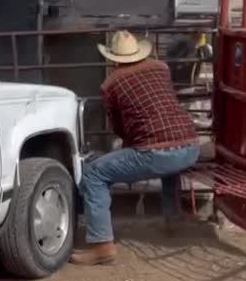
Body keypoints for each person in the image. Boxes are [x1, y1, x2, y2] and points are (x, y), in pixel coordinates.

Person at [70, 30, 199, 266]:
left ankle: (102, 245)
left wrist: (131, 145)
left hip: (157, 154)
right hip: (190, 146)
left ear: (113, 58)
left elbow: (119, 126)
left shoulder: (111, 83)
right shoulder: (161, 68)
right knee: (167, 158)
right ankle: (173, 219)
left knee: (94, 173)